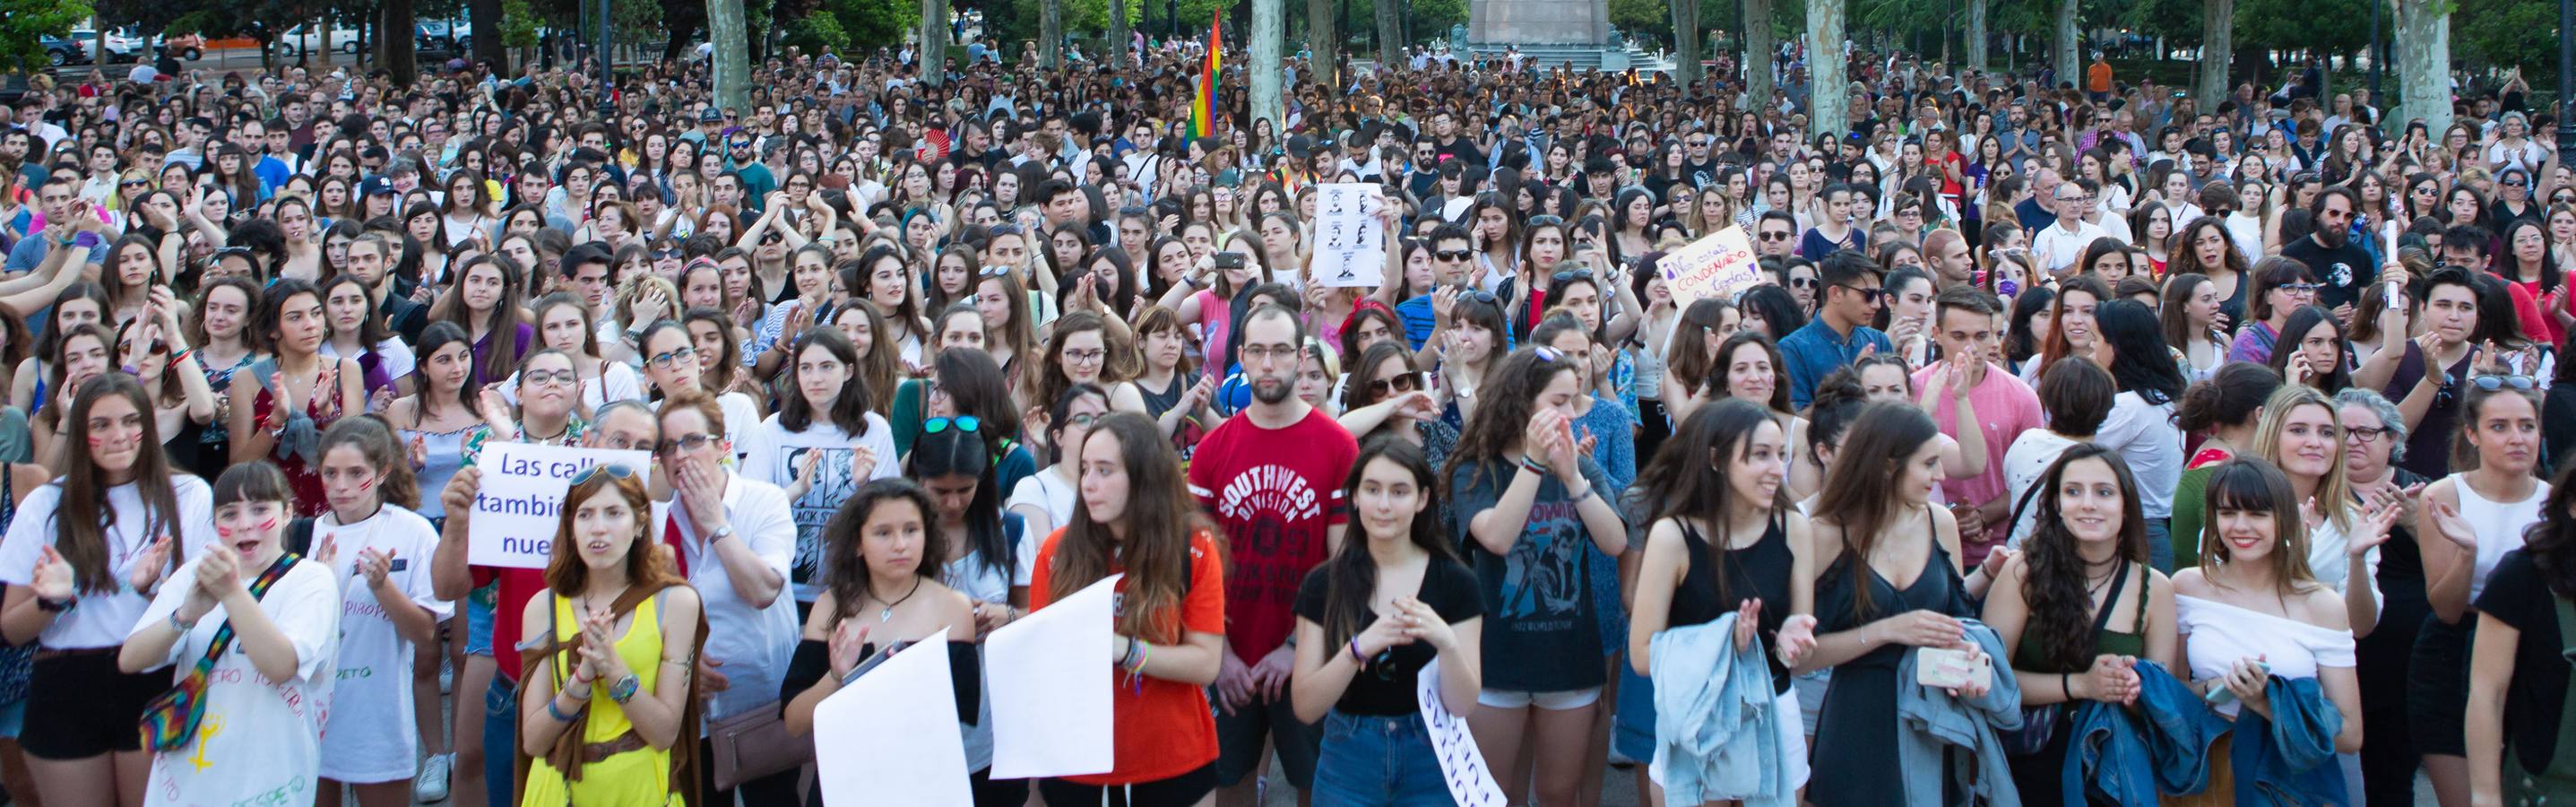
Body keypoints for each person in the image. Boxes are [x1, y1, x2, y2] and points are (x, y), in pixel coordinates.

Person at [0, 375, 215, 807]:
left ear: (149, 427)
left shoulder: (187, 494)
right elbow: (11, 630)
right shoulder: (45, 503)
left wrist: (153, 590)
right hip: (66, 682)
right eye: (100, 425)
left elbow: (201, 613)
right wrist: (51, 600)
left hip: (153, 677)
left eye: (131, 421)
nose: (118, 436)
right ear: (82, 432)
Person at [1183, 305, 1359, 807]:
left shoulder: (1338, 446)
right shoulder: (1214, 449)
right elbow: (1195, 564)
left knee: (1316, 783)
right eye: (1257, 351)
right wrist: (1218, 654)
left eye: (1281, 351)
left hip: (1306, 651)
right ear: (1239, 358)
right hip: (1228, 650)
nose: (1268, 364)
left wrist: (1295, 647)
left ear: (1300, 357)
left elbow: (1342, 566)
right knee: (1228, 779)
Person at [1448, 345, 1629, 807]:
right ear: (1521, 404)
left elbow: (1614, 542)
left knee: (1557, 792)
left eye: (1574, 399)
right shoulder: (1478, 467)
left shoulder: (1579, 466)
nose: (1571, 413)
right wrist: (1532, 463)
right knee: (1494, 794)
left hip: (1569, 657)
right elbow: (1497, 538)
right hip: (1496, 659)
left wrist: (1573, 480)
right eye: (1558, 402)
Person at [1796, 402, 1992, 806]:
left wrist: (1968, 653)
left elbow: (1960, 622)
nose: (1940, 475)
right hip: (1857, 721)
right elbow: (1799, 658)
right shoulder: (1825, 534)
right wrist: (1886, 630)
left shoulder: (1941, 522)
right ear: (1888, 464)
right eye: (1929, 463)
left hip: (1931, 721)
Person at [1026, 412, 1228, 805]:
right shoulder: (1057, 551)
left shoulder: (1194, 547)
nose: (1089, 483)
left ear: (1144, 476)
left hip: (1173, 759)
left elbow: (1205, 663)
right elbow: (1040, 665)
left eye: (1105, 470)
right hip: (1076, 765)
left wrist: (1125, 650)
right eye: (1085, 469)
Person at [1625, 400, 1819, 803]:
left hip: (1774, 710)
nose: (1776, 469)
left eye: (1781, 455)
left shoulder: (1794, 528)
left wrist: (1793, 638)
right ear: (1716, 460)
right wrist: (1722, 644)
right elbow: (1642, 655)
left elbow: (1798, 638)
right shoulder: (1672, 536)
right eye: (1760, 455)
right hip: (1698, 712)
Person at [117, 461, 341, 806]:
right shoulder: (196, 572)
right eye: (229, 514)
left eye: (260, 509)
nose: (245, 524)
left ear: (287, 514)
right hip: (187, 779)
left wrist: (232, 593)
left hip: (270, 781)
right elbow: (130, 659)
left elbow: (281, 666)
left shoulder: (311, 579)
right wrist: (186, 614)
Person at [1287, 438, 1485, 806]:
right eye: (1373, 489)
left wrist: (1447, 643)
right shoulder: (1323, 583)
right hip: (1350, 757)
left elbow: (1462, 704)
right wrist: (1358, 648)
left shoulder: (1457, 582)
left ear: (1422, 499)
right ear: (1355, 496)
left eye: (1399, 492)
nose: (1383, 505)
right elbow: (1306, 706)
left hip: (1430, 754)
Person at [1983, 442, 2183, 803]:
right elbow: (1993, 679)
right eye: (2073, 491)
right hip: (2025, 766)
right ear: (2057, 504)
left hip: (2111, 774)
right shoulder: (2022, 571)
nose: (2088, 503)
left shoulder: (2156, 589)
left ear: (2126, 504)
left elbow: (2162, 701)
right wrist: (2081, 685)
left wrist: (2129, 686)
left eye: (2103, 492)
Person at [780, 479, 995, 803]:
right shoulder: (831, 606)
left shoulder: (952, 607)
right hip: (844, 782)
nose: (900, 544)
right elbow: (795, 722)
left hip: (921, 784)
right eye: (883, 533)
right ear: (857, 542)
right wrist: (836, 676)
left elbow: (959, 720)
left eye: (911, 530)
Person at [2173, 458, 2367, 804]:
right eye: (2228, 512)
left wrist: (2265, 701)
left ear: (2284, 519)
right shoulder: (2187, 587)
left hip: (2287, 784)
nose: (2241, 526)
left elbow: (2350, 734)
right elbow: (2168, 694)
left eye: (2258, 514)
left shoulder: (2322, 605)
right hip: (2205, 773)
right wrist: (2216, 687)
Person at [512, 462, 705, 806]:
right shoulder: (542, 608)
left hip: (638, 787)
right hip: (558, 790)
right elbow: (534, 741)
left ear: (640, 524)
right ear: (571, 528)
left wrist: (615, 670)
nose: (597, 529)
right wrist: (580, 681)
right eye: (585, 515)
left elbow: (664, 733)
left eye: (614, 513)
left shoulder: (676, 602)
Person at [652, 393, 800, 805]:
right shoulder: (655, 518)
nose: (680, 455)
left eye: (693, 441)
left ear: (723, 446)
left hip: (761, 708)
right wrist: (679, 662)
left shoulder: (764, 501)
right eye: (668, 446)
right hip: (692, 708)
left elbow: (763, 591)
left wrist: (716, 524)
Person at [2413, 372, 2548, 807]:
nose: (2517, 439)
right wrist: (2466, 553)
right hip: (2454, 651)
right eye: (2499, 426)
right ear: (2472, 434)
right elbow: (2446, 609)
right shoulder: (2443, 496)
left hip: (2533, 658)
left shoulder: (2554, 503)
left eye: (2527, 426)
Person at [309, 418, 449, 807]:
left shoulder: (413, 532)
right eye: (330, 474)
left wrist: (382, 587)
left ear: (382, 471)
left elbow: (425, 635)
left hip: (377, 713)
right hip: (313, 710)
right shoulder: (304, 535)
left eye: (356, 473)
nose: (341, 486)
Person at [738, 326, 901, 609]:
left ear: (848, 371)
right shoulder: (773, 430)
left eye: (827, 367)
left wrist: (864, 486)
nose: (815, 378)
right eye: (806, 368)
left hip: (852, 589)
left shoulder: (874, 430)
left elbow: (892, 516)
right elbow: (749, 513)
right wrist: (795, 490)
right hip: (783, 590)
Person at [2462, 464, 2576, 803]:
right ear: (2571, 505)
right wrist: (2485, 794)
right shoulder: (2524, 575)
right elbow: (2487, 693)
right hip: (2547, 790)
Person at [227, 278, 366, 516]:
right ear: (273, 329)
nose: (310, 325)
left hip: (335, 503)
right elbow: (239, 466)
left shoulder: (346, 370)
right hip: (272, 506)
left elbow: (357, 453)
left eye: (315, 314)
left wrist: (328, 415)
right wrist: (274, 423)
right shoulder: (247, 379)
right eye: (295, 317)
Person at [1778, 251, 1891, 410]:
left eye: (1879, 294)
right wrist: (1850, 380)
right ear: (1835, 293)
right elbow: (1796, 421)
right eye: (1868, 295)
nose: (1876, 304)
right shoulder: (1793, 348)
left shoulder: (1879, 341)